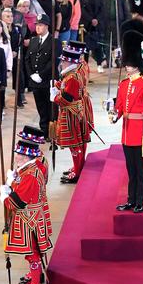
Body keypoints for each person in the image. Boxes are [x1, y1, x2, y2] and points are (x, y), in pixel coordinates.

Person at [106, 25, 143, 212]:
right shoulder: (123, 84)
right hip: (127, 133)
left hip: (142, 135)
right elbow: (120, 107)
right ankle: (131, 199)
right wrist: (114, 115)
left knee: (141, 171)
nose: (127, 67)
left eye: (129, 64)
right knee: (131, 170)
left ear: (136, 64)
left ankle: (141, 201)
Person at [0, 138, 53, 284]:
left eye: (19, 154)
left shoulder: (30, 174)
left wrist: (5, 196)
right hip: (33, 217)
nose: (16, 156)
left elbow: (17, 203)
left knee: (32, 254)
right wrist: (14, 181)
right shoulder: (30, 169)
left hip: (28, 220)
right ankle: (35, 277)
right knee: (34, 252)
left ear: (25, 157)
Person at [51, 46, 91, 184]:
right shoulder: (70, 74)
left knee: (75, 144)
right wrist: (58, 85)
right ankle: (78, 167)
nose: (61, 63)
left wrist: (54, 97)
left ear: (68, 62)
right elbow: (66, 88)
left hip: (71, 114)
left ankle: (77, 172)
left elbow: (66, 99)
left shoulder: (72, 77)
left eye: (63, 61)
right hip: (74, 112)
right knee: (78, 143)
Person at [26, 14, 54, 138]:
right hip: (35, 82)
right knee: (40, 107)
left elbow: (53, 62)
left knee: (50, 107)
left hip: (47, 81)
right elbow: (27, 59)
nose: (38, 28)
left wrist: (41, 75)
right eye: (37, 25)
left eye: (41, 25)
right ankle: (43, 131)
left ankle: (50, 131)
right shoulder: (33, 41)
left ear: (47, 26)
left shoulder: (54, 42)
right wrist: (32, 74)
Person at [78, 0, 106, 70]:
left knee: (97, 46)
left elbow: (102, 9)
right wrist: (91, 20)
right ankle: (85, 67)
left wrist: (96, 20)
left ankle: (99, 64)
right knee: (85, 48)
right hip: (85, 26)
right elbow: (81, 11)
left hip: (96, 25)